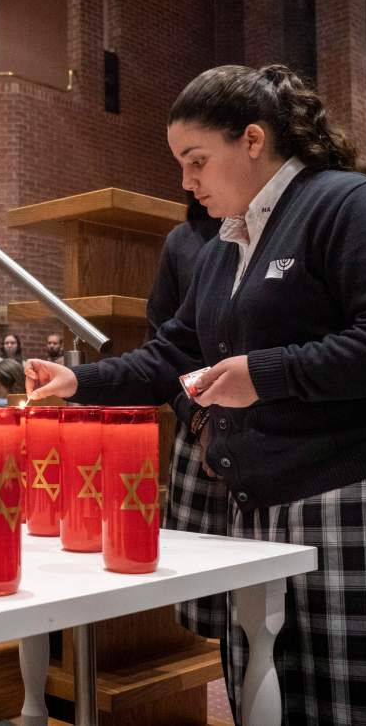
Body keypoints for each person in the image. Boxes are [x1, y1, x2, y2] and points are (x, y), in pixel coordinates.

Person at [25, 64, 366, 723]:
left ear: (252, 140)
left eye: (196, 162)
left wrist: (263, 375)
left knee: (362, 701)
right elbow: (174, 354)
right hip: (266, 501)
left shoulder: (353, 206)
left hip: (357, 493)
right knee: (277, 692)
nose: (186, 183)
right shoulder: (224, 247)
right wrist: (80, 381)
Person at [147, 194, 225, 640]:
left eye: (198, 159)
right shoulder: (185, 242)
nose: (188, 179)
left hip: (272, 427)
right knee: (213, 606)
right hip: (201, 423)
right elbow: (164, 347)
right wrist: (197, 415)